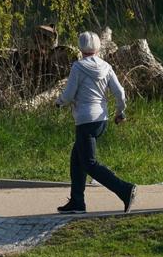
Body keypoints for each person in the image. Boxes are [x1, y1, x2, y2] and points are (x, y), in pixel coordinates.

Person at [55, 31, 137, 214]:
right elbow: (120, 93)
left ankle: (125, 189)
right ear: (99, 47)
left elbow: (68, 95)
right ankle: (77, 201)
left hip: (85, 120)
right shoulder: (106, 67)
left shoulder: (78, 67)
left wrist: (59, 102)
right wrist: (120, 112)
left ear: (80, 48)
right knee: (77, 159)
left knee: (90, 163)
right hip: (102, 120)